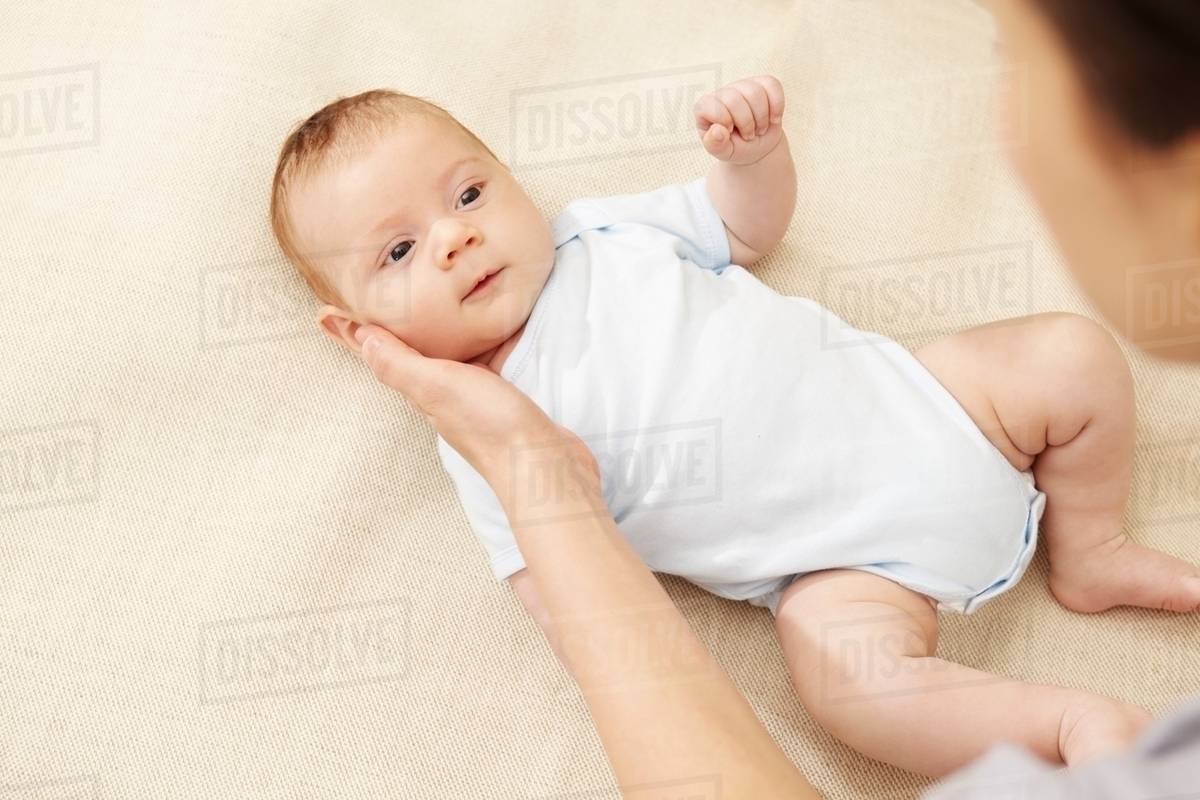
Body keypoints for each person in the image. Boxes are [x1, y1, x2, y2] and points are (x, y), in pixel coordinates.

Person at [347, 0, 1200, 796]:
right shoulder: (475, 430)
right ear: (360, 332)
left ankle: (1089, 544)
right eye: (399, 252)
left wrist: (752, 160)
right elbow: (558, 589)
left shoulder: (604, 235)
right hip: (840, 571)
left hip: (932, 402)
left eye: (469, 194)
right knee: (847, 684)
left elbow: (747, 230)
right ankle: (1063, 723)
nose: (456, 237)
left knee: (1069, 353)